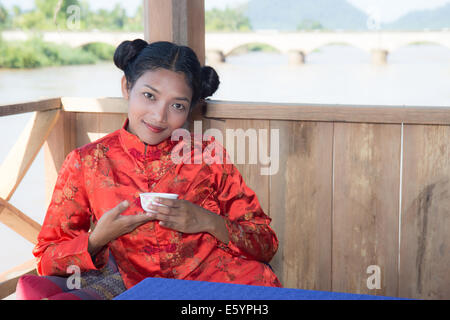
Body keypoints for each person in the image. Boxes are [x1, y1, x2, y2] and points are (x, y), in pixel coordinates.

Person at [24, 39, 281, 299]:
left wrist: (207, 221)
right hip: (141, 290)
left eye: (177, 105)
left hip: (217, 285)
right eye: (149, 96)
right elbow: (46, 260)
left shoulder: (207, 156)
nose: (159, 116)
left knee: (262, 285)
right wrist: (97, 239)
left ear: (190, 108)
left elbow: (265, 243)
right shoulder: (87, 162)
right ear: (127, 86)